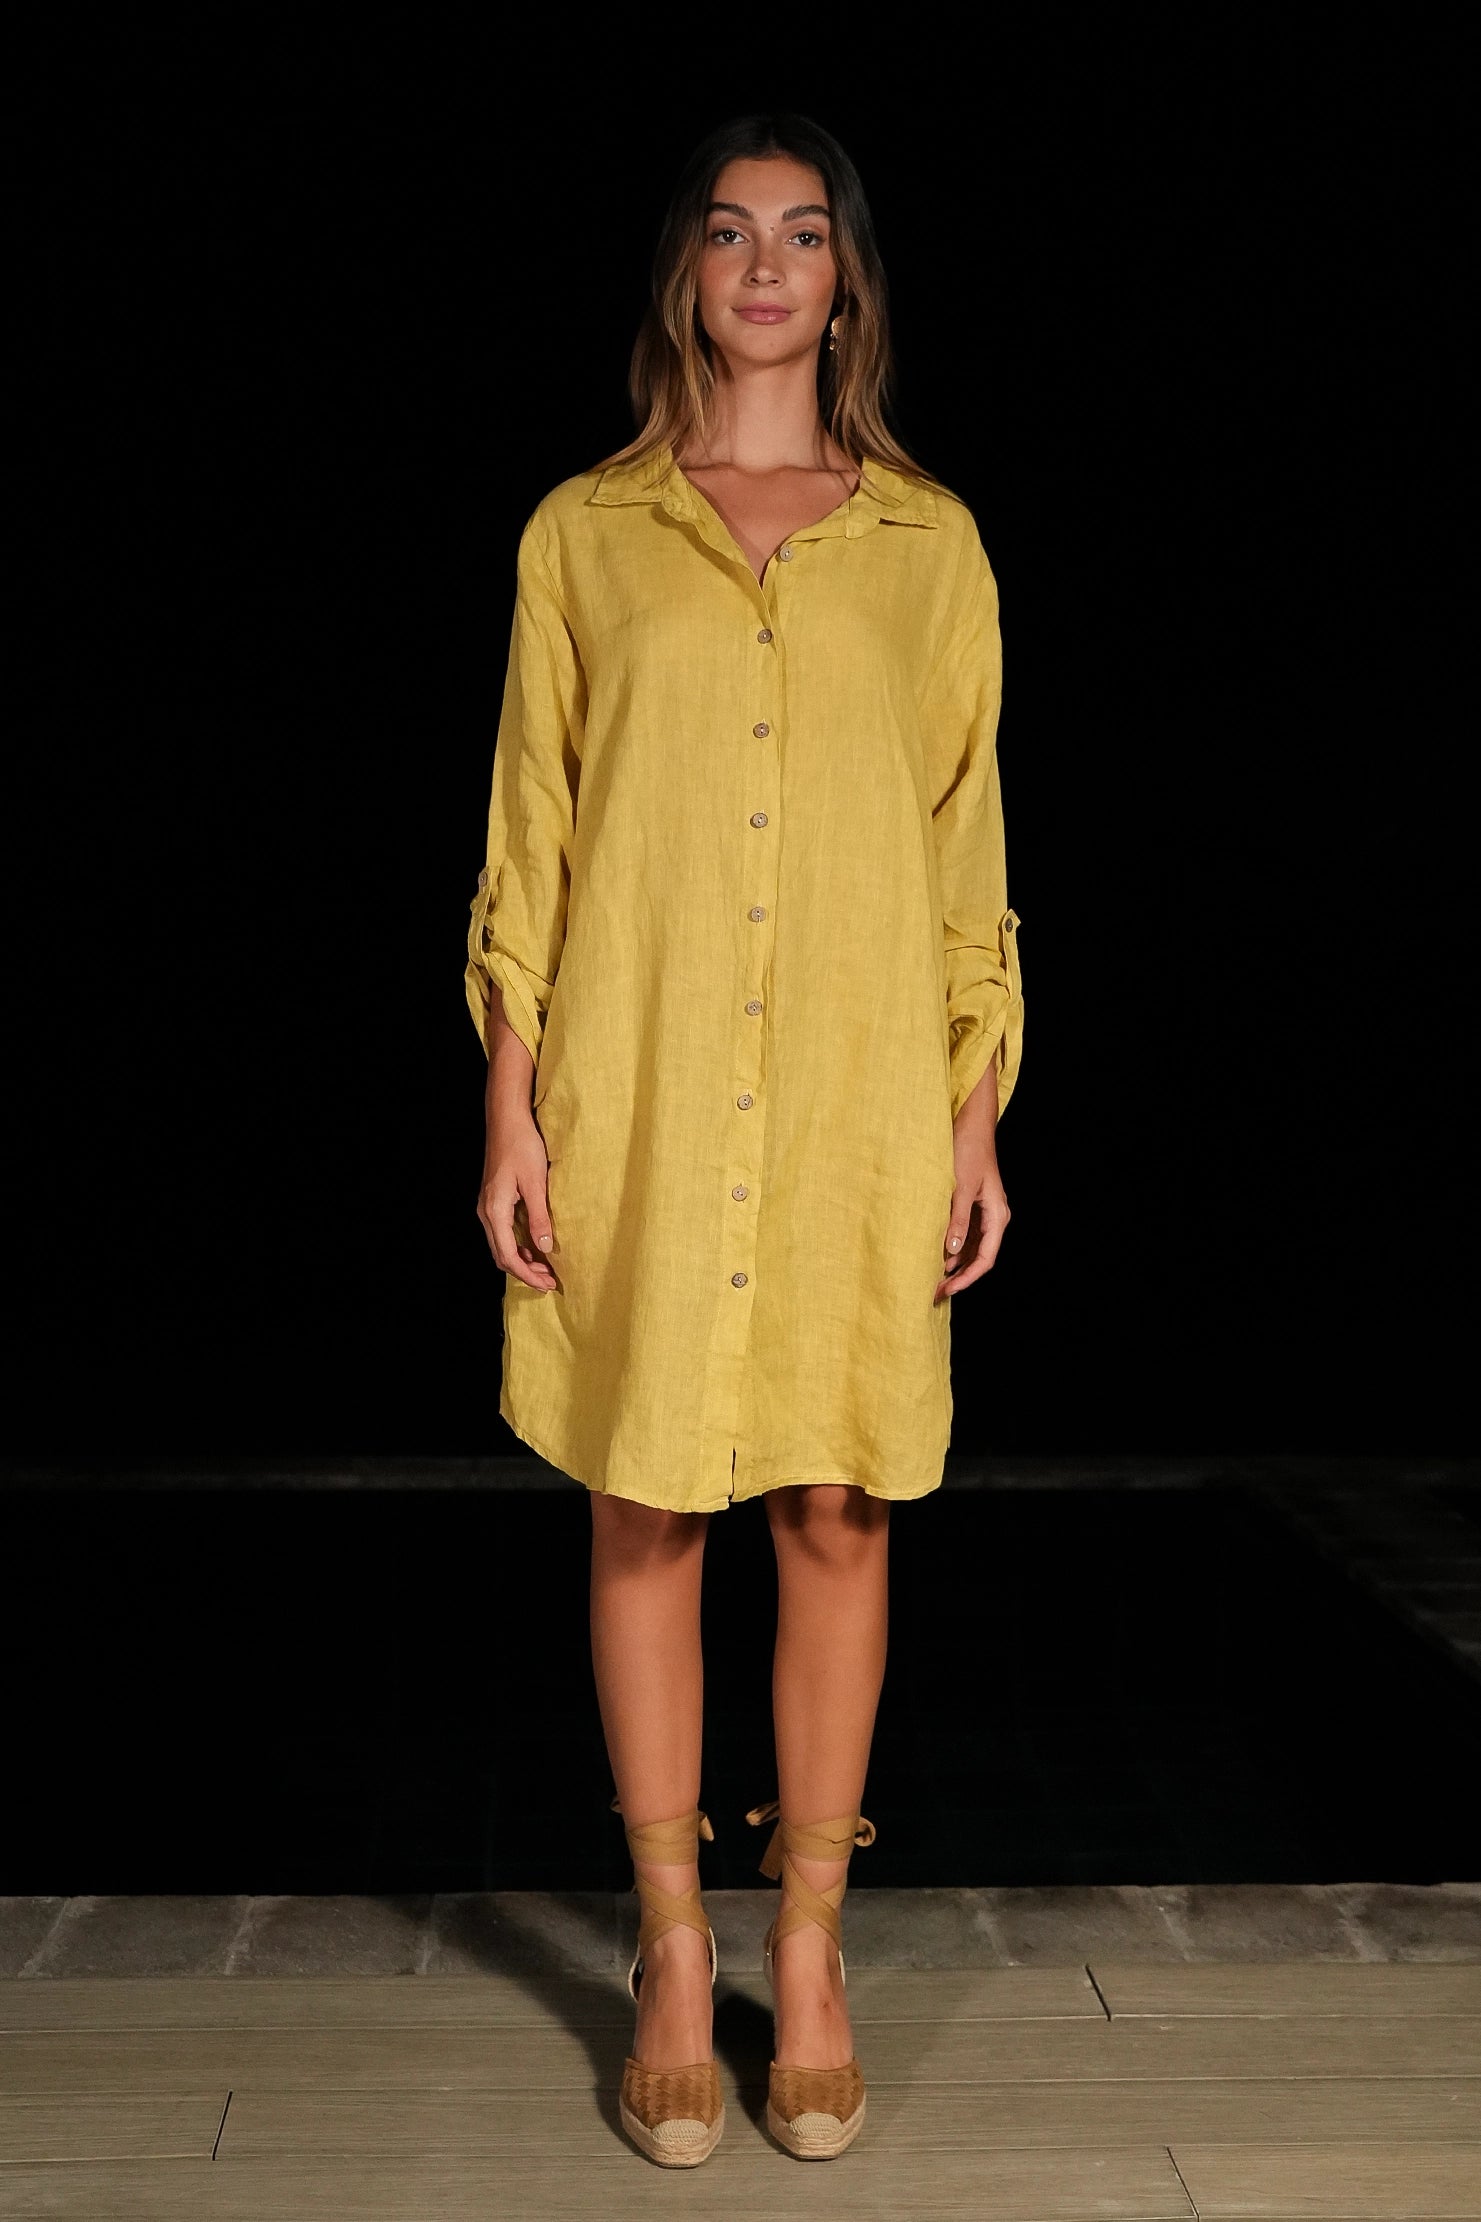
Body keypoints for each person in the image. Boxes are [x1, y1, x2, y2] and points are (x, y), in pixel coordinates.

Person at [465, 110, 1024, 2168]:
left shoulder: (931, 546)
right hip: (640, 1086)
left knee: (838, 1506)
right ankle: (679, 1951)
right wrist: (509, 1106)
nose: (767, 263)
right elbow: (530, 836)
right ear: (688, 279)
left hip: (858, 1103)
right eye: (729, 231)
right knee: (640, 1501)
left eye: (802, 233)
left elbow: (967, 860)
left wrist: (974, 1115)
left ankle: (812, 1943)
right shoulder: (584, 538)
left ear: (846, 282)